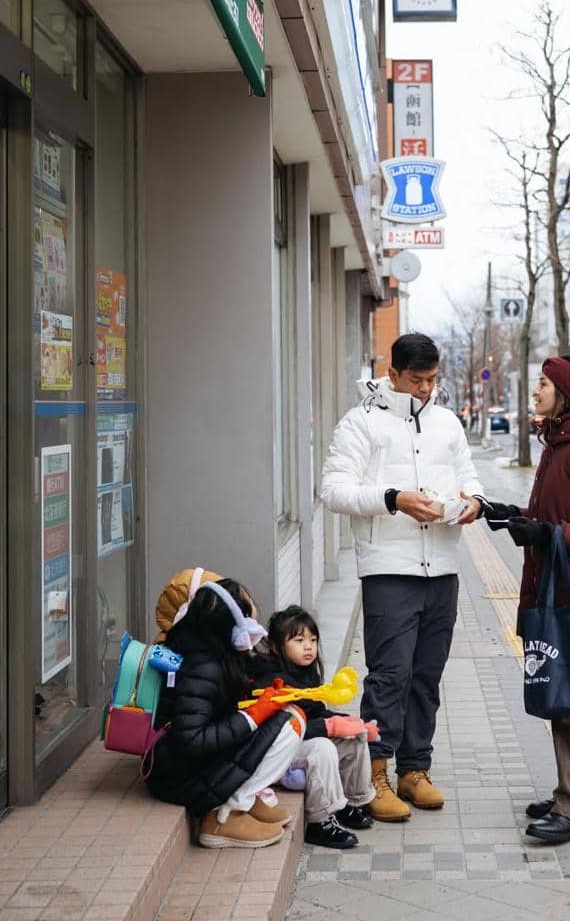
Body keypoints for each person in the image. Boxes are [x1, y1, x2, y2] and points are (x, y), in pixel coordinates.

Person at [321, 332, 485, 821]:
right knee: (389, 675)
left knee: (427, 675)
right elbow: (333, 489)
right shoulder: (360, 424)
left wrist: (473, 503)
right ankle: (375, 772)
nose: (425, 390)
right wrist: (393, 498)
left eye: (432, 380)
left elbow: (469, 477)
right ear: (392, 373)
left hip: (443, 567)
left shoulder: (447, 423)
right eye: (416, 380)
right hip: (388, 570)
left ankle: (416, 770)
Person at [482, 355, 570, 846]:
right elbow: (553, 513)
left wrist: (545, 532)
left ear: (563, 393)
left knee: (569, 697)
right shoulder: (560, 441)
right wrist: (513, 515)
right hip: (560, 584)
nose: (536, 390)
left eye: (542, 383)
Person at [145, 578, 306, 850]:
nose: (255, 612)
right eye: (248, 607)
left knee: (291, 714)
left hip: (187, 765)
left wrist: (259, 699)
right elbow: (191, 739)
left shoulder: (208, 650)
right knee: (290, 722)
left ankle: (244, 797)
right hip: (178, 776)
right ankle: (225, 814)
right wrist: (252, 717)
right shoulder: (203, 666)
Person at [254, 606, 377, 850]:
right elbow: (283, 730)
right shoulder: (272, 681)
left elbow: (315, 712)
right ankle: (320, 821)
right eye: (299, 640)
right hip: (276, 753)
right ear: (277, 647)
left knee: (355, 736)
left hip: (297, 742)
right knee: (321, 748)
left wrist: (350, 722)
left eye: (312, 639)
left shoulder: (303, 673)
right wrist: (329, 726)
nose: (308, 646)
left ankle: (351, 804)